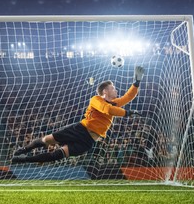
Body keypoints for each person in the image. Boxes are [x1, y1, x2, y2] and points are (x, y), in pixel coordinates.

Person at [11, 65, 145, 164]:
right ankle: (23, 150)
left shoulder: (115, 103)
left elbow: (128, 97)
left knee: (58, 155)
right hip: (79, 129)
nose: (116, 90)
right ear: (105, 91)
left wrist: (136, 83)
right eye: (113, 88)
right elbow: (107, 110)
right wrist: (127, 113)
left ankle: (22, 160)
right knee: (47, 140)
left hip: (89, 140)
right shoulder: (96, 100)